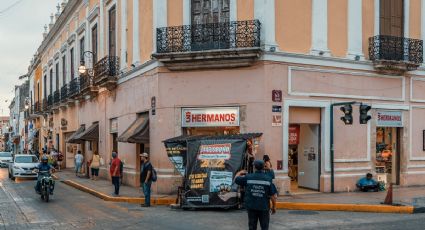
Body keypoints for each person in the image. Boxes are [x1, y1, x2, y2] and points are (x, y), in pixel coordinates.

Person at [235, 160, 277, 230]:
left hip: (251, 207)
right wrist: (274, 207)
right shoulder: (268, 179)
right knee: (265, 227)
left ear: (254, 167)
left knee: (252, 227)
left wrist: (240, 172)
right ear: (264, 167)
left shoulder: (248, 177)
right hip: (264, 208)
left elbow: (236, 179)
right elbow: (273, 196)